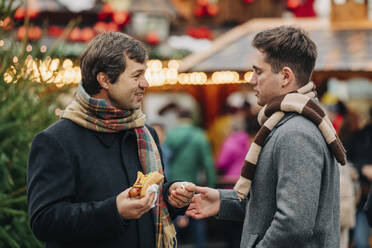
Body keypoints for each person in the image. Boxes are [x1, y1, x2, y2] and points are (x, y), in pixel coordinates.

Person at [27, 32, 194, 248]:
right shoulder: (56, 141)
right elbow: (44, 221)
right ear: (105, 79)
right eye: (136, 76)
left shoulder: (145, 133)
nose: (146, 83)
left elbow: (148, 201)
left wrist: (171, 196)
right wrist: (114, 211)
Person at [185, 26, 346, 248]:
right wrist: (223, 201)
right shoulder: (287, 123)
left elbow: (293, 224)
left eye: (258, 72)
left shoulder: (296, 132)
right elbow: (270, 203)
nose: (251, 79)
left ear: (285, 76)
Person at [165, 109, 216, 248]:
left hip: (171, 188)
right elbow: (208, 164)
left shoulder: (170, 135)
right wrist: (211, 187)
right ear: (191, 119)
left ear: (178, 118)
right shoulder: (199, 135)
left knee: (172, 227)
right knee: (197, 221)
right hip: (193, 186)